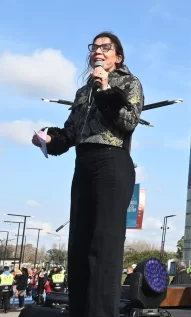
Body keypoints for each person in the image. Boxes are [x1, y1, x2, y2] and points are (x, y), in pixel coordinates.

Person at [32, 32, 143, 317]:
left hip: (112, 162)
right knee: (79, 246)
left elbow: (128, 122)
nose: (98, 51)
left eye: (106, 47)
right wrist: (48, 139)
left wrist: (106, 89)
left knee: (103, 247)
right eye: (94, 47)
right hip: (83, 164)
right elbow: (70, 134)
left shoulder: (129, 83)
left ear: (118, 56)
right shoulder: (83, 92)